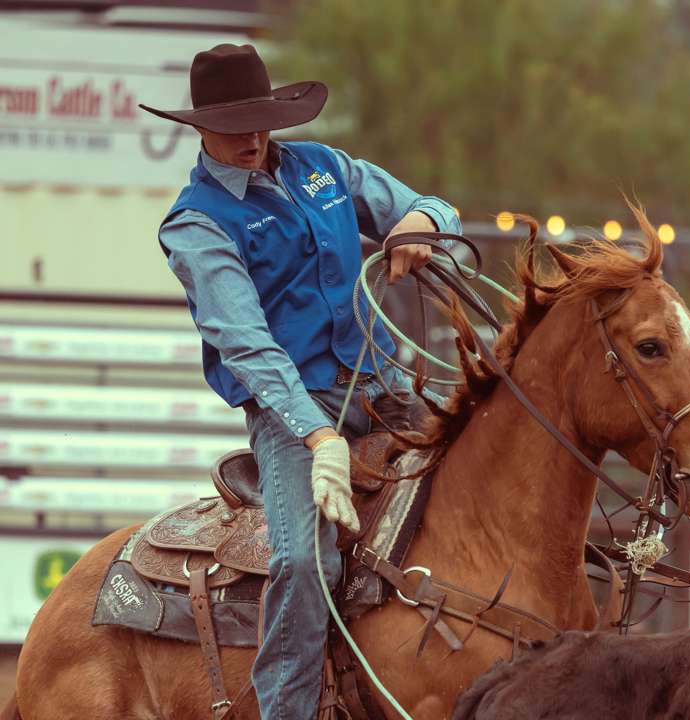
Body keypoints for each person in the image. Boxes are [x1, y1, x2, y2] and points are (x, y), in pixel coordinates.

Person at [140, 43, 461, 720]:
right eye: (235, 124)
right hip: (294, 414)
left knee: (491, 464)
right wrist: (319, 437)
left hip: (384, 388)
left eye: (261, 119)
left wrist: (417, 224)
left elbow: (433, 205)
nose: (253, 136)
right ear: (200, 128)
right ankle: (287, 710)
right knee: (302, 560)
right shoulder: (197, 222)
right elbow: (247, 345)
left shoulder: (326, 169)